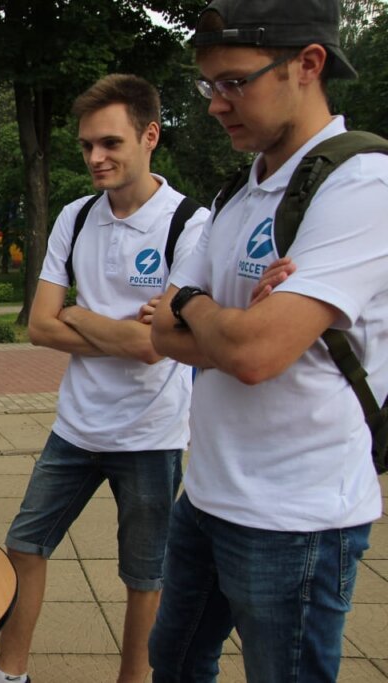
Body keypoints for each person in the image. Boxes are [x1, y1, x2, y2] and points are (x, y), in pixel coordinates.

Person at [148, 1, 388, 680]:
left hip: (297, 516)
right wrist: (223, 317)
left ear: (308, 64)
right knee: (175, 659)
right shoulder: (238, 192)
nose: (217, 105)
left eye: (234, 82)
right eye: (208, 86)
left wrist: (196, 304)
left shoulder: (362, 183)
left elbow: (254, 355)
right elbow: (161, 331)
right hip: (208, 495)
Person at [0, 75, 207, 683]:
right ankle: (10, 676)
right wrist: (108, 327)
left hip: (151, 435)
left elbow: (156, 346)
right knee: (24, 544)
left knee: (144, 576)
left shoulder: (188, 223)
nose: (95, 158)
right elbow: (38, 327)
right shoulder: (75, 217)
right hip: (76, 427)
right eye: (86, 146)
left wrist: (76, 312)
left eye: (110, 143)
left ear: (150, 136)